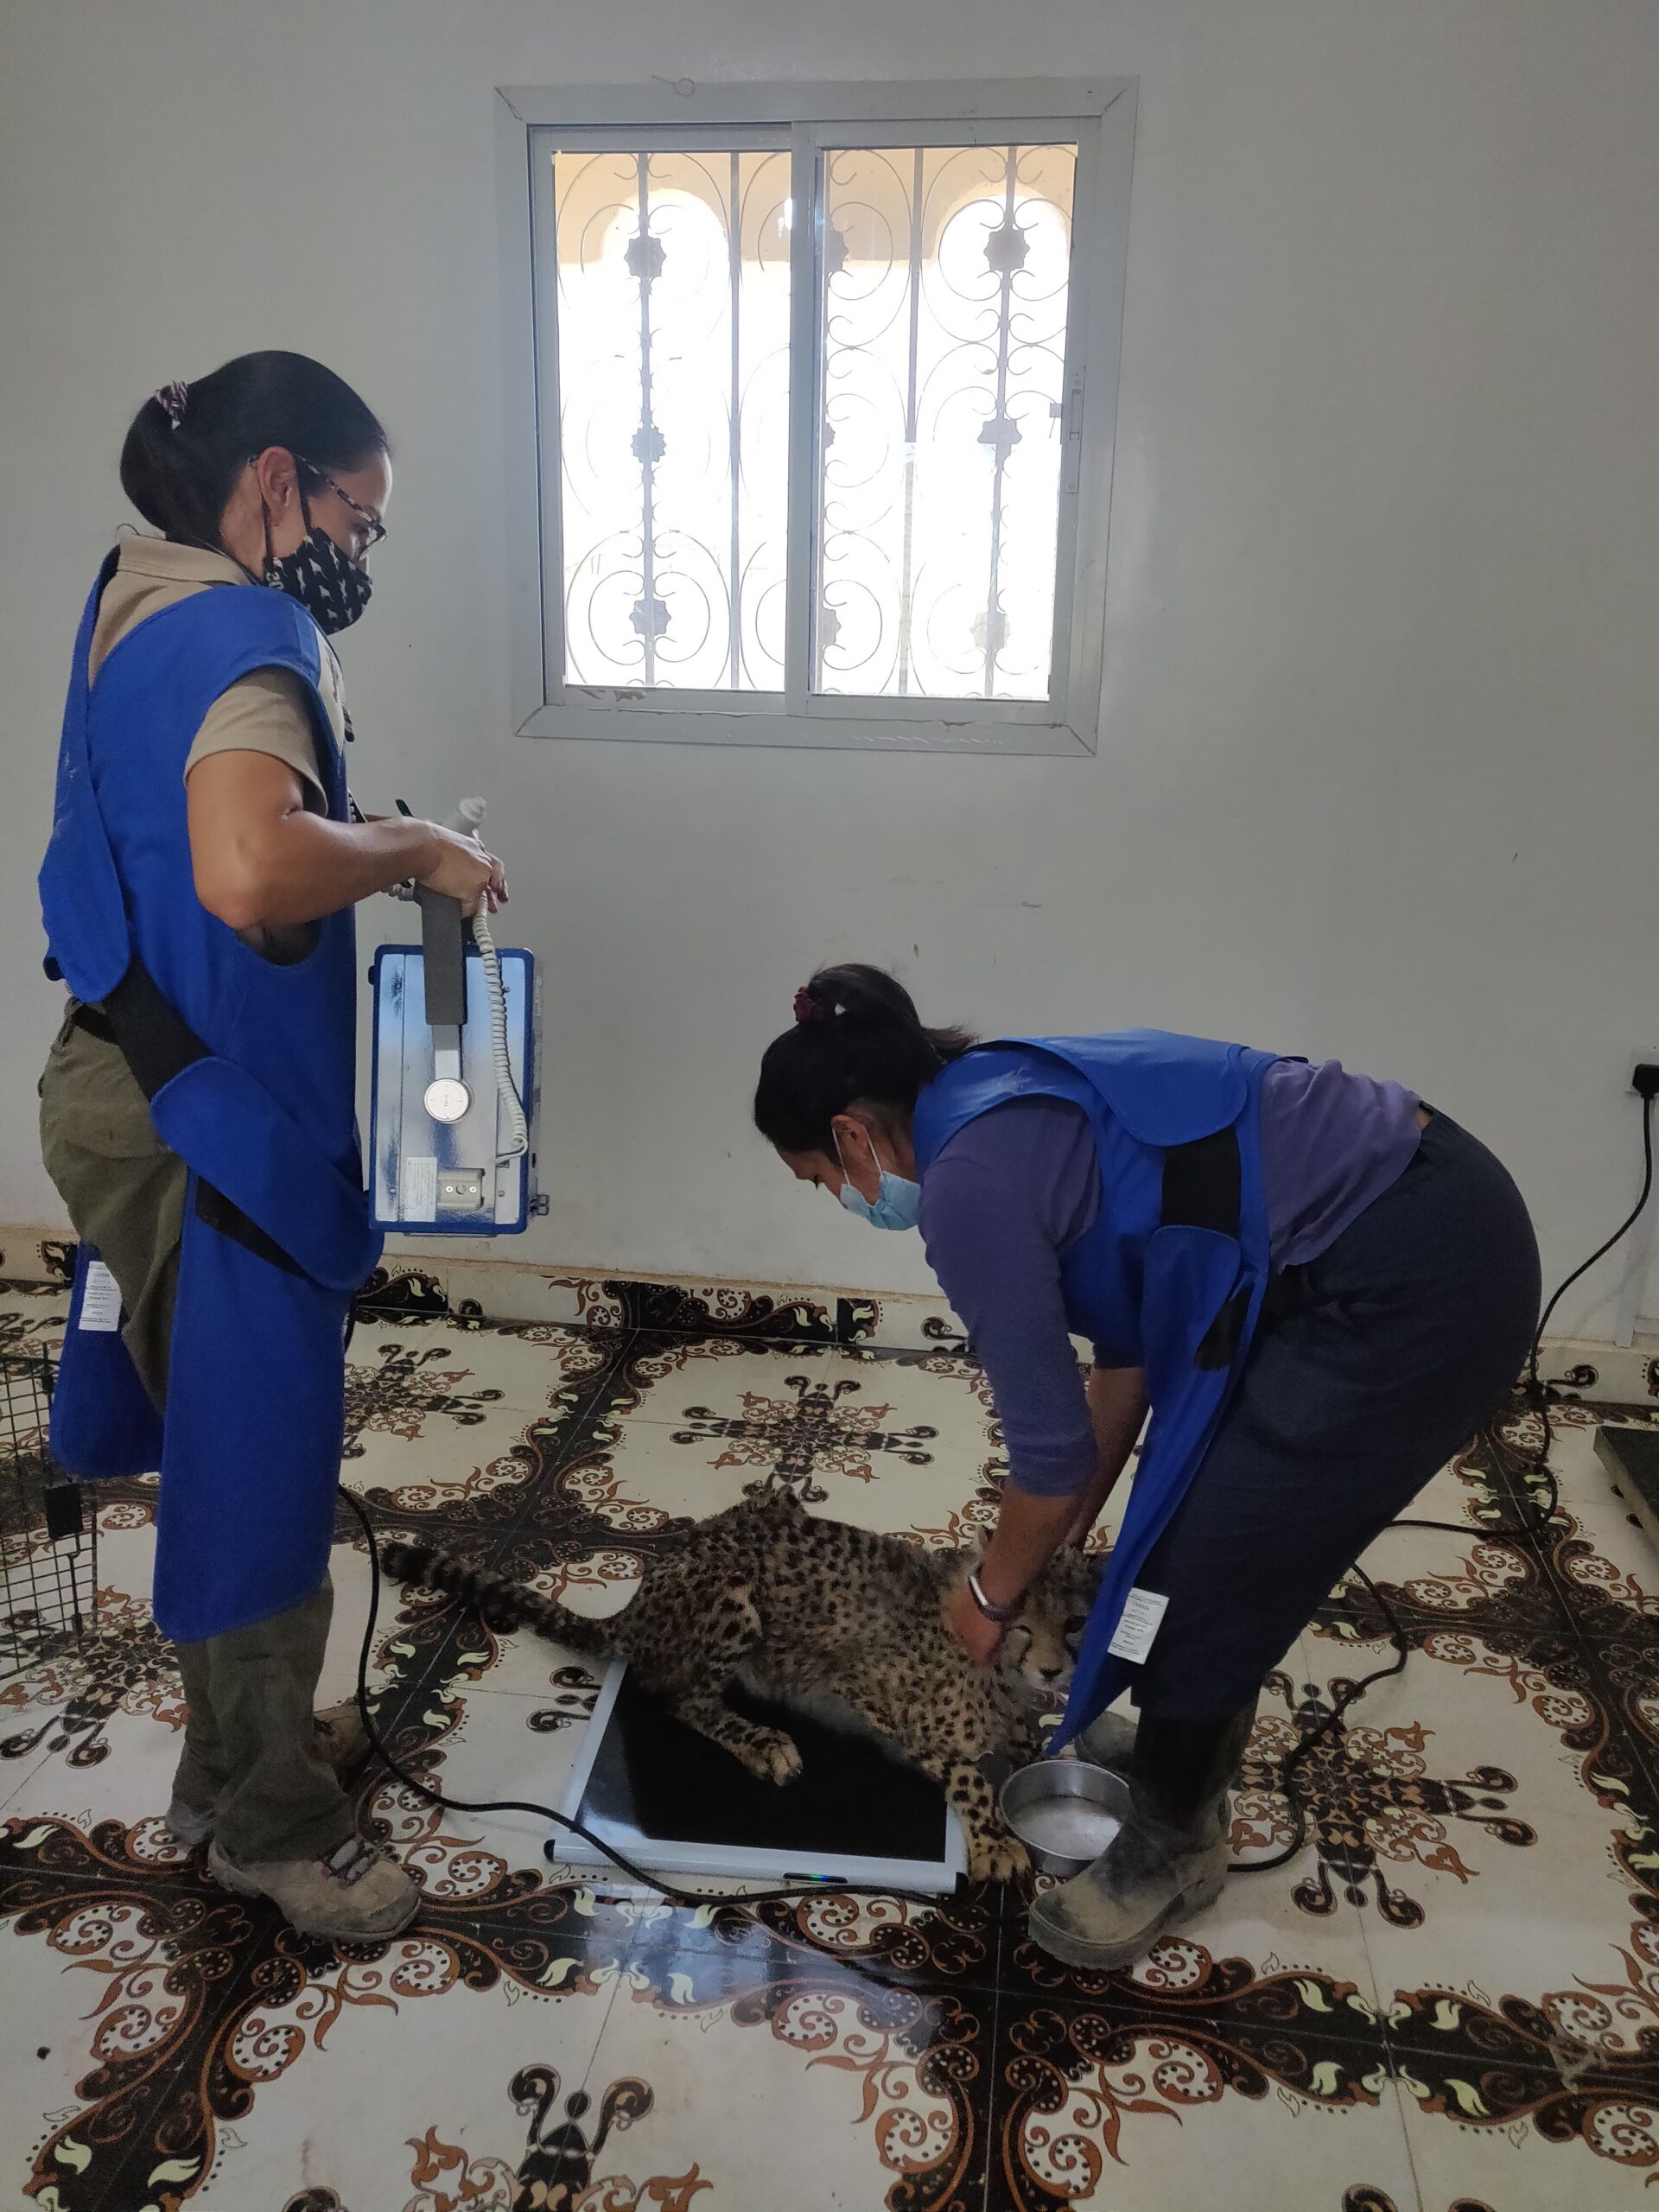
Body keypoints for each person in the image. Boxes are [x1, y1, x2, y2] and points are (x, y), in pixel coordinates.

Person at [753, 965, 1539, 1967]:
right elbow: (1127, 1343)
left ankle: (1175, 1840)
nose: (839, 1196)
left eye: (820, 1178)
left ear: (853, 1134)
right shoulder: (994, 1089)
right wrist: (1062, 1532)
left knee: (1213, 1560)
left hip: (1418, 1277)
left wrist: (989, 1597)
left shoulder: (968, 1187)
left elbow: (1046, 1459)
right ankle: (1179, 1755)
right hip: (1421, 1194)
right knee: (1188, 1529)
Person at [37, 352, 506, 1942]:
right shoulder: (252, 633)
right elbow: (245, 869)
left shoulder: (132, 602)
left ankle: (216, 1771)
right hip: (209, 1125)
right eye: (356, 518)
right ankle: (275, 1825)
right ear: (277, 481)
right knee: (261, 1464)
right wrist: (415, 847)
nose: (358, 554)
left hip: (122, 1078)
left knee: (217, 1443)